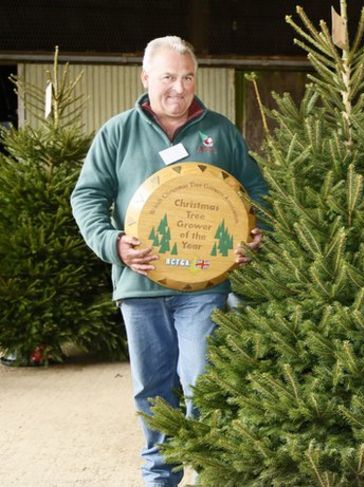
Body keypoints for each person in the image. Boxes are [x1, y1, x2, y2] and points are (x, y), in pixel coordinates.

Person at [71, 36, 268, 487]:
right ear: (145, 79)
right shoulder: (117, 132)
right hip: (140, 287)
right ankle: (160, 475)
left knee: (203, 379)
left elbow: (257, 192)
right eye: (167, 77)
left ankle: (208, 471)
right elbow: (87, 196)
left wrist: (258, 232)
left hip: (205, 287)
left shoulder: (219, 131)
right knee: (152, 389)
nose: (178, 88)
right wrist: (113, 243)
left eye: (186, 77)